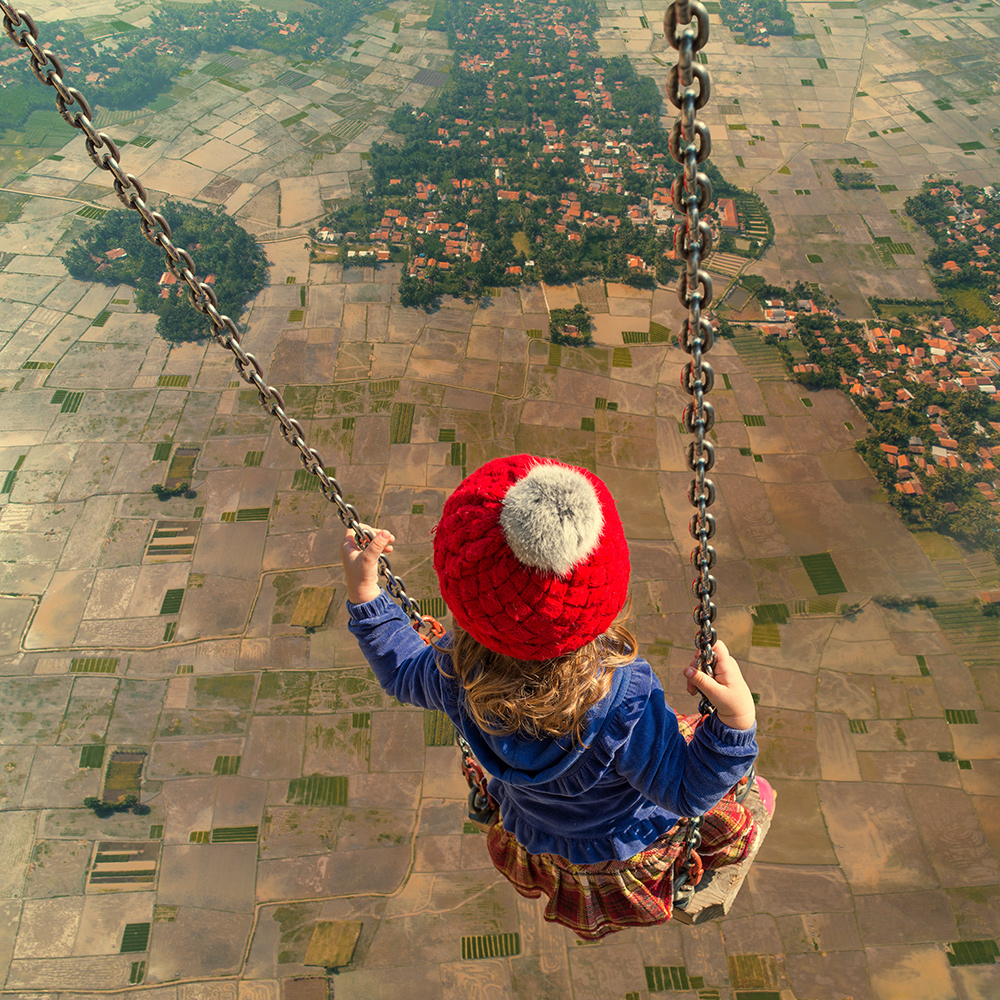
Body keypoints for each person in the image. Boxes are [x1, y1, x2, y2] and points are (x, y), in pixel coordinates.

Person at [341, 454, 770, 940]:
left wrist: (365, 594)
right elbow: (688, 791)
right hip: (620, 840)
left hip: (539, 829)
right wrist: (736, 722)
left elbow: (399, 670)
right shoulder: (624, 702)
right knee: (703, 752)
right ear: (604, 584)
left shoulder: (454, 670)